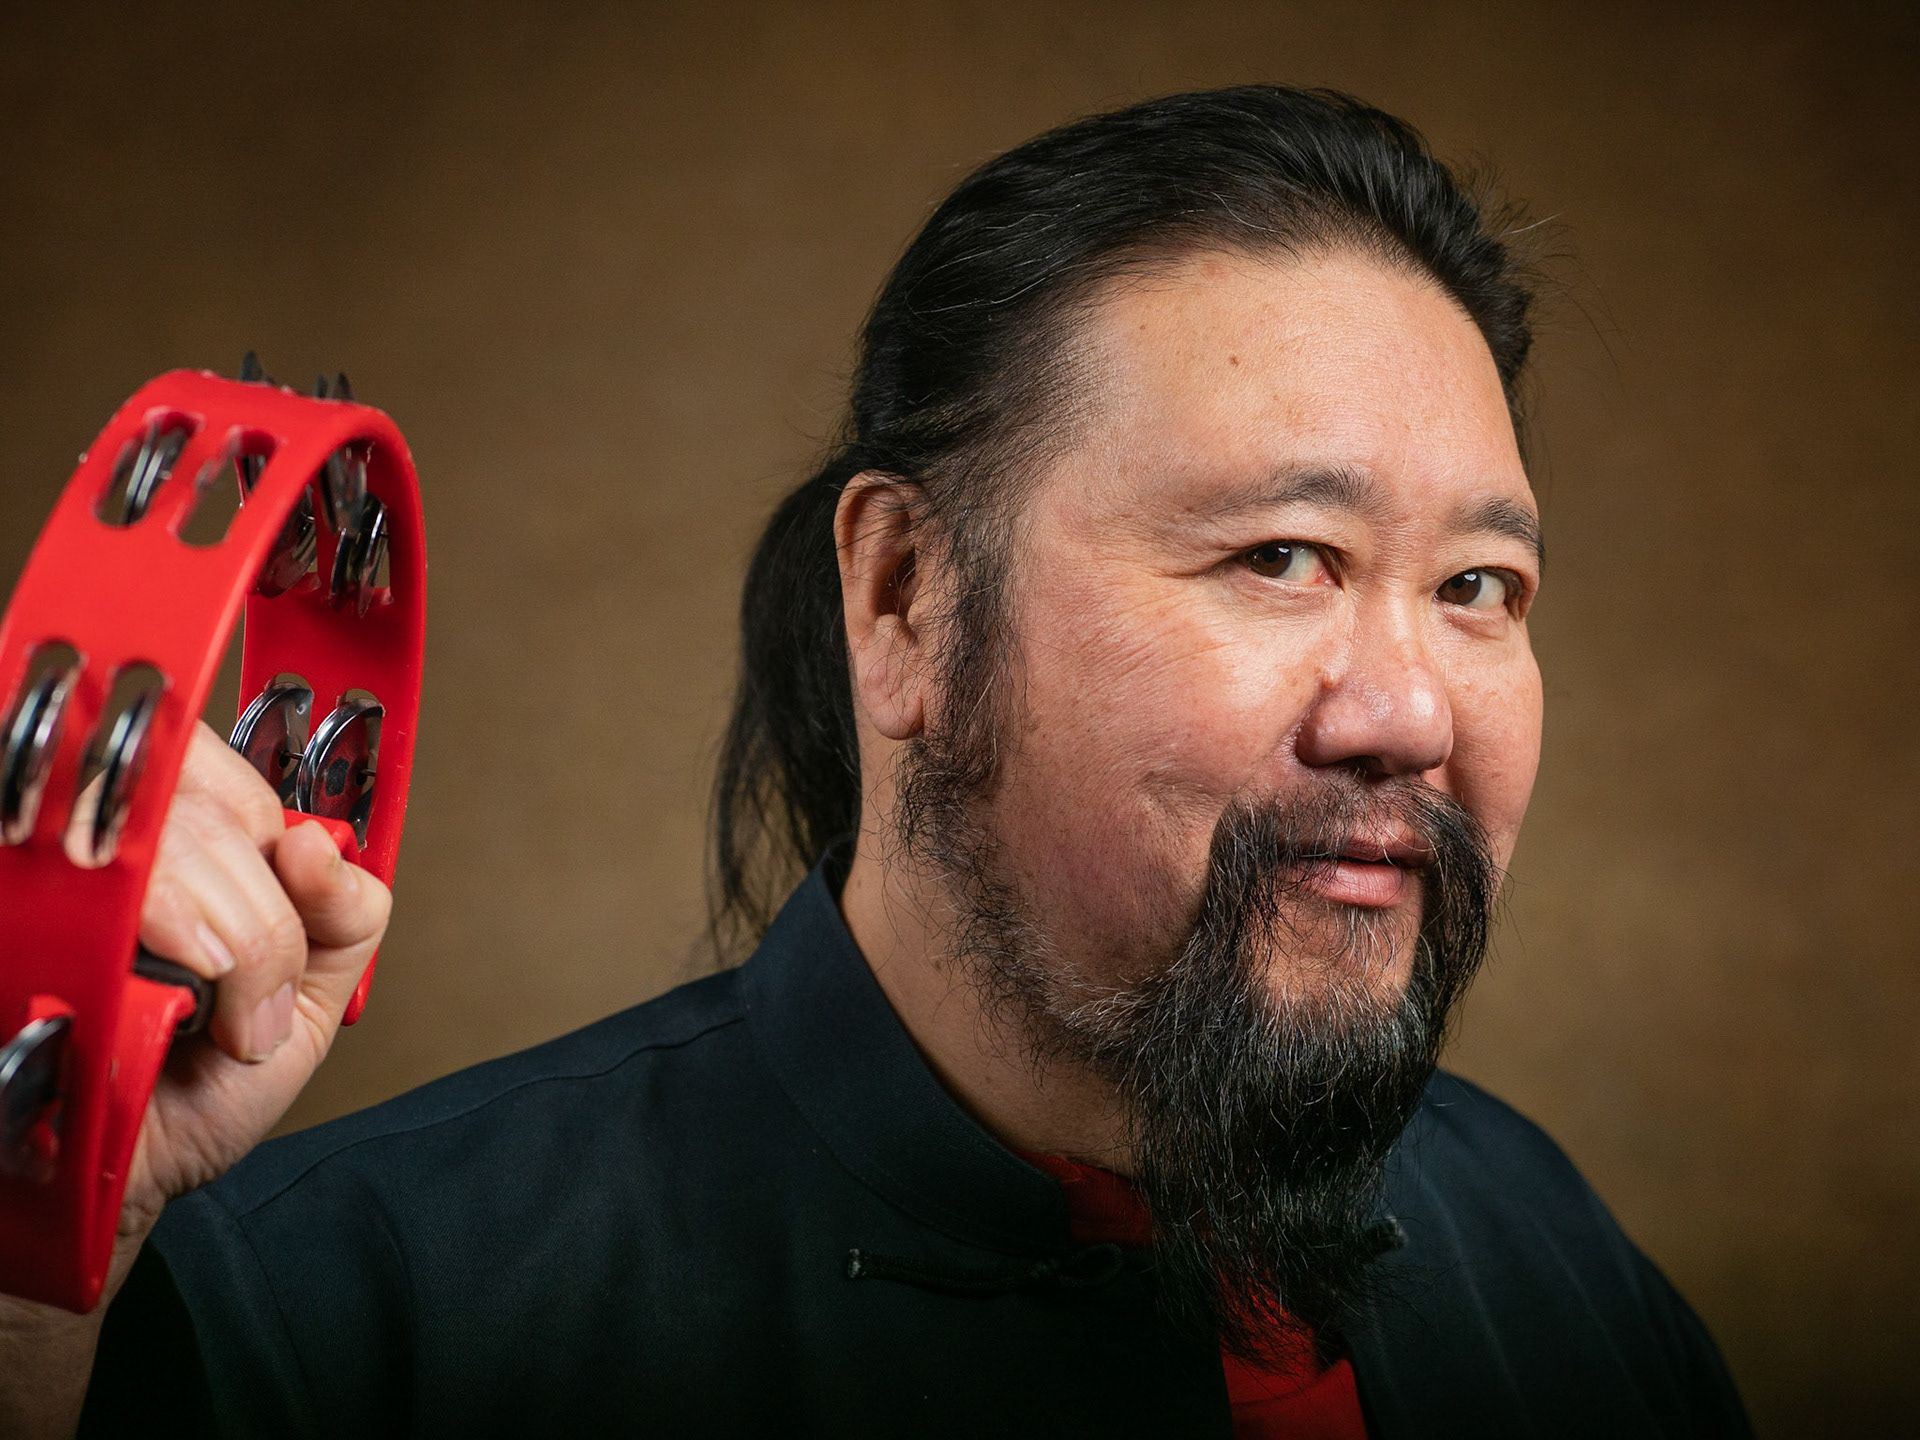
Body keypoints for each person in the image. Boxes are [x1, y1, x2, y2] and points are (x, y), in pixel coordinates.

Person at [1, 86, 1752, 1438]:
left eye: (1478, 588)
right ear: (904, 598)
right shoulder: (342, 1312)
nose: (1412, 711)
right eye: (1282, 556)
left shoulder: (1548, 1250)